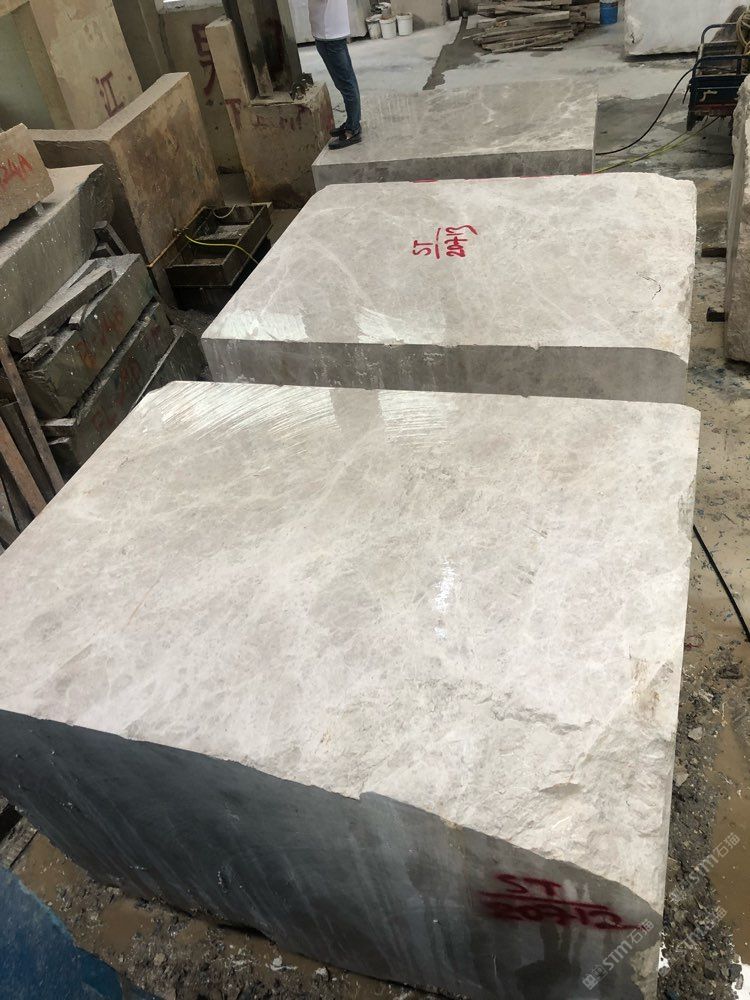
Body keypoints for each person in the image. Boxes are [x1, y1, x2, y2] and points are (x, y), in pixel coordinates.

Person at [308, 0, 362, 149]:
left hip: (330, 34)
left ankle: (352, 130)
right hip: (326, 32)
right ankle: (352, 122)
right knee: (345, 81)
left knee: (346, 83)